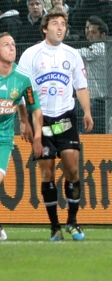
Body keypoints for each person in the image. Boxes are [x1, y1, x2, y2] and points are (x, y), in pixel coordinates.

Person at [18, 9, 94, 242]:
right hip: (42, 120)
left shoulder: (72, 54)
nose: (60, 27)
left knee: (72, 168)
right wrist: (24, 121)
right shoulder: (31, 55)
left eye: (63, 24)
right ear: (45, 28)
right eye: (55, 24)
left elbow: (80, 86)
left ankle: (73, 221)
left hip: (65, 117)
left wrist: (87, 112)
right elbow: (21, 90)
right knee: (47, 172)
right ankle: (55, 227)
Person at [0, 33, 43, 241]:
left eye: (13, 45)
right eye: (6, 45)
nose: (11, 48)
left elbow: (35, 108)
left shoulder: (24, 78)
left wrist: (35, 134)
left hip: (3, 139)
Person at [77, 16, 112, 134]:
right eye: (88, 32)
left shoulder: (100, 48)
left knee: (96, 134)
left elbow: (77, 54)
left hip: (102, 101)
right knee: (110, 132)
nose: (89, 35)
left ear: (103, 34)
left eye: (93, 32)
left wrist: (55, 48)